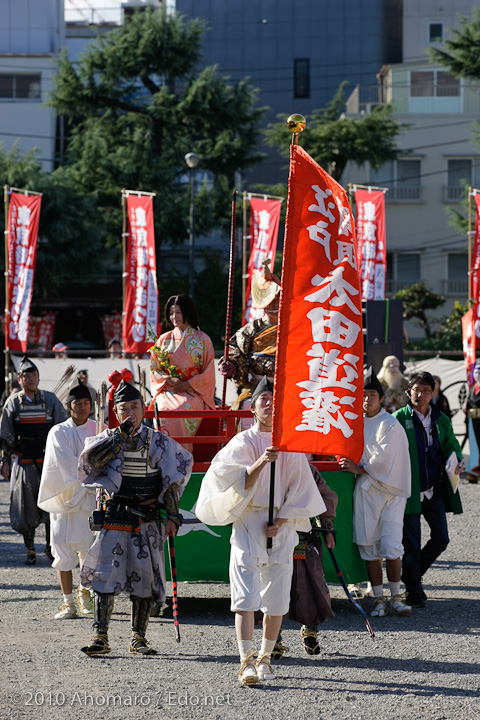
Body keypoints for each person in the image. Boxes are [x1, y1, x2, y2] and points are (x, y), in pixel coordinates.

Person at [196, 377, 326, 685]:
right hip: (249, 522)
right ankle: (245, 661)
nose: (269, 404)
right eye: (263, 400)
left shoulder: (290, 445)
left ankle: (266, 656)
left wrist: (282, 520)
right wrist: (260, 462)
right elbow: (227, 479)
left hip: (281, 525)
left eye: (273, 400)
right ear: (252, 408)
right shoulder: (243, 442)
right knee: (245, 597)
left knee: (277, 599)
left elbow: (301, 490)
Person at [78, 380, 192, 656]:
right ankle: (100, 635)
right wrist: (119, 438)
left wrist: (173, 517)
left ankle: (138, 637)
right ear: (116, 412)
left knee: (143, 578)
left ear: (144, 408)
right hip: (115, 514)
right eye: (124, 408)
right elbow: (92, 465)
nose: (130, 412)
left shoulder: (159, 442)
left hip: (147, 516)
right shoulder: (105, 439)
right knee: (104, 575)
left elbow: (172, 482)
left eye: (134, 407)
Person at [339, 367, 412, 617]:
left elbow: (384, 457)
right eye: (363, 394)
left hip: (389, 491)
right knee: (369, 545)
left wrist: (359, 468)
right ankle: (378, 599)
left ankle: (396, 597)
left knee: (392, 546)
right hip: (367, 490)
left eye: (371, 394)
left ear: (381, 398)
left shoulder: (389, 424)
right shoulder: (353, 423)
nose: (367, 399)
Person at [394, 371, 463, 608]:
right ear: (408, 392)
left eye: (426, 390)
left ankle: (411, 575)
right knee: (411, 543)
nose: (421, 394)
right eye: (416, 390)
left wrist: (458, 460)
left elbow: (451, 444)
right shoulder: (398, 419)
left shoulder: (441, 420)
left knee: (441, 538)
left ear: (432, 393)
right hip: (409, 491)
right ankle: (414, 591)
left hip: (434, 489)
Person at [0, 356, 67, 564]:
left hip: (49, 461)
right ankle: (29, 547)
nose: (31, 378)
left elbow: (62, 428)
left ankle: (49, 545)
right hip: (24, 460)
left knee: (51, 503)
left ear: (38, 378)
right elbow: (5, 435)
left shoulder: (50, 400)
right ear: (20, 379)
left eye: (34, 375)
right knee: (25, 505)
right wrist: (4, 461)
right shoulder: (13, 402)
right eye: (26, 375)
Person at [38, 384, 97, 619]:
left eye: (86, 403)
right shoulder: (58, 432)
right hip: (64, 498)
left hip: (89, 499)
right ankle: (67, 602)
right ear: (68, 406)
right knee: (62, 550)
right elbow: (62, 465)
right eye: (77, 403)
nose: (82, 407)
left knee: (89, 550)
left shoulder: (99, 428)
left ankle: (85, 593)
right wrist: (93, 470)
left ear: (91, 405)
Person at [150, 294, 215, 451]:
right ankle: (163, 455)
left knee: (182, 408)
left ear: (188, 312)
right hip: (168, 390)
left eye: (178, 312)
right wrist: (168, 379)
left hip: (193, 392)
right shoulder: (164, 339)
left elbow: (208, 372)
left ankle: (182, 455)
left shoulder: (203, 339)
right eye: (171, 313)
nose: (174, 317)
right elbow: (155, 367)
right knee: (162, 409)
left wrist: (188, 384)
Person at [219, 261, 280, 430]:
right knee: (245, 406)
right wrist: (230, 364)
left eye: (277, 300)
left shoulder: (294, 327)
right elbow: (234, 349)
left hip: (289, 387)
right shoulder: (252, 329)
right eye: (271, 301)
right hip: (256, 386)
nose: (274, 305)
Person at [288, 465, 337, 654]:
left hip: (304, 536)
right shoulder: (266, 466)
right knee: (273, 586)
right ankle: (274, 638)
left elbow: (325, 496)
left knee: (310, 584)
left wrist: (327, 529)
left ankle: (310, 629)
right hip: (272, 537)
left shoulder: (306, 468)